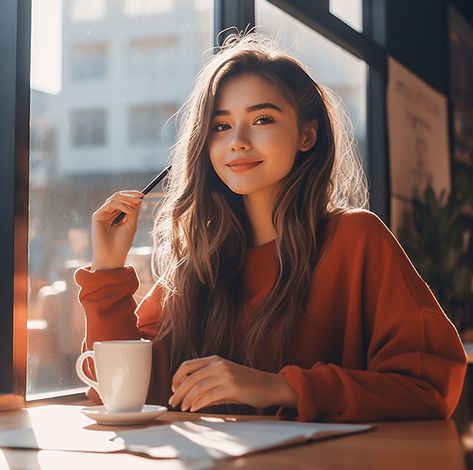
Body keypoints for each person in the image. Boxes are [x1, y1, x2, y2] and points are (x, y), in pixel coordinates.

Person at [75, 33, 466, 422]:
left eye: (262, 119)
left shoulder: (356, 239)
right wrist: (108, 270)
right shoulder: (197, 262)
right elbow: (121, 393)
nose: (238, 142)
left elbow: (428, 390)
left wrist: (280, 387)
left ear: (307, 134)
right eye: (221, 126)